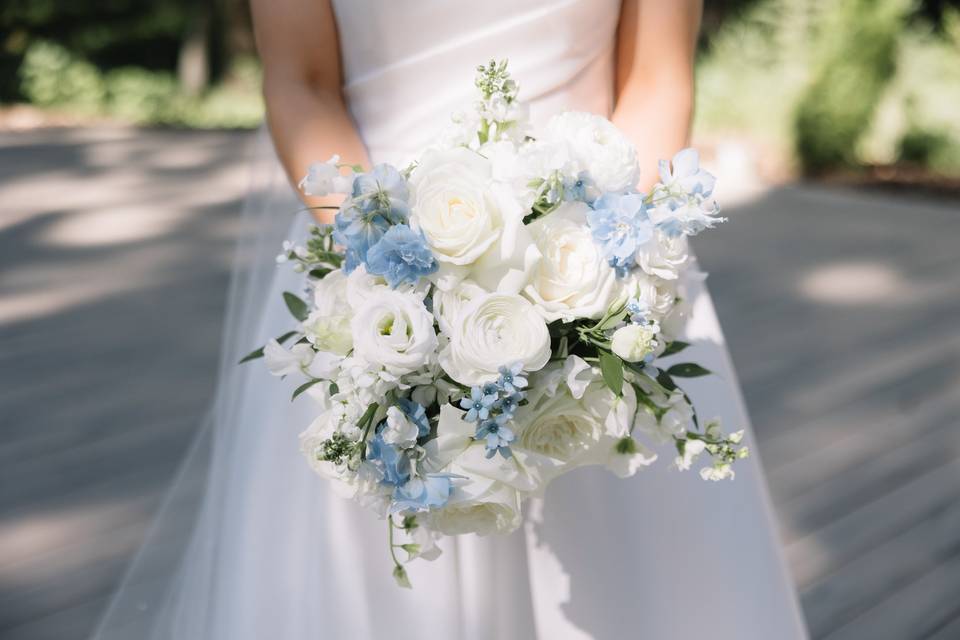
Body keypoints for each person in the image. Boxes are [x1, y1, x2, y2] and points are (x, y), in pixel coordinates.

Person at [94, 1, 809, 638]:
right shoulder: (372, 267)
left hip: (597, 268)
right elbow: (302, 81)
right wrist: (391, 271)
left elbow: (656, 79)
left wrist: (585, 279)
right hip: (369, 270)